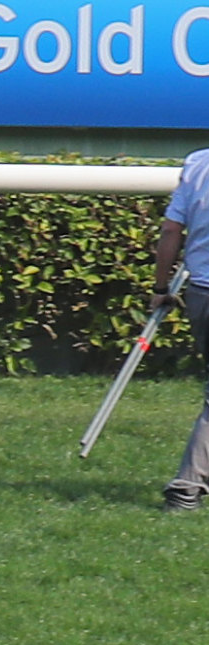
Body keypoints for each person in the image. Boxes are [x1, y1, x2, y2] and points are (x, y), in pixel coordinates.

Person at [152, 146, 209, 512]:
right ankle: (187, 485)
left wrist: (160, 287)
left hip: (201, 293)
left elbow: (172, 229)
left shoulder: (198, 164)